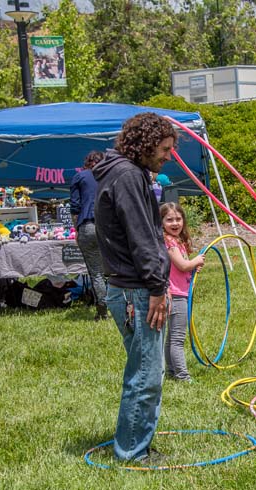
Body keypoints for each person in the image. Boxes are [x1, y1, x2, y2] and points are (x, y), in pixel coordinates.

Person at [93, 112, 177, 462]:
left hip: (134, 287)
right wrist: (157, 287)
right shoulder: (127, 176)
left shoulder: (127, 173)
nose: (168, 156)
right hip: (136, 291)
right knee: (146, 374)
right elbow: (142, 238)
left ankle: (137, 442)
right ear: (144, 144)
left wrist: (160, 282)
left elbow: (148, 238)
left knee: (146, 369)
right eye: (164, 148)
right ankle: (131, 452)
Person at [160, 202, 205, 382]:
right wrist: (195, 261)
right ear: (161, 222)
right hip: (176, 294)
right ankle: (182, 375)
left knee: (171, 337)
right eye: (169, 219)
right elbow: (182, 264)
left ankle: (171, 370)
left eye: (178, 219)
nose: (175, 223)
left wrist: (193, 268)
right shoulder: (169, 242)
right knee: (177, 338)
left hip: (177, 291)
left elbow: (182, 268)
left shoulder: (176, 241)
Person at [70, 150, 108, 320]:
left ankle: (102, 311)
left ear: (87, 163)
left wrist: (76, 230)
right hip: (109, 227)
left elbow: (75, 207)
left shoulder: (80, 177)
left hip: (88, 226)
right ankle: (123, 306)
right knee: (115, 271)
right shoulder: (110, 176)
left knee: (96, 272)